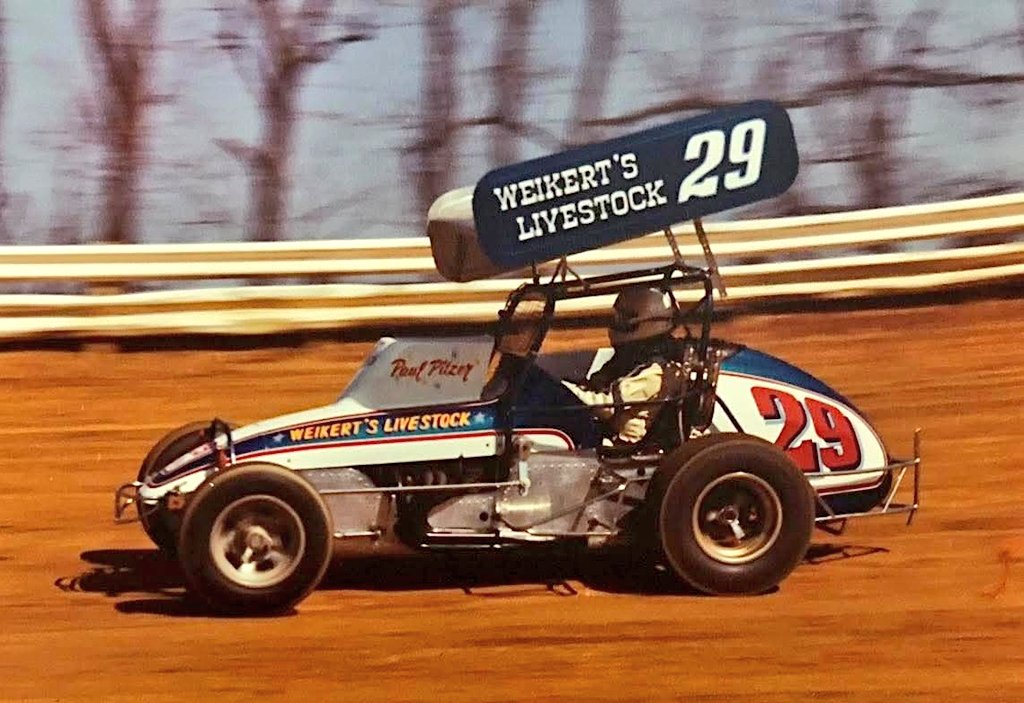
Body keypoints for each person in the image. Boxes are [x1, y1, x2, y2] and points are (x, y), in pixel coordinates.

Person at [563, 287, 686, 446]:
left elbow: (607, 406)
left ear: (648, 323)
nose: (616, 324)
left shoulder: (657, 372)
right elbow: (596, 384)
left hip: (623, 449)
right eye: (615, 317)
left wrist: (564, 390)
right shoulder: (629, 357)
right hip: (604, 434)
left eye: (623, 319)